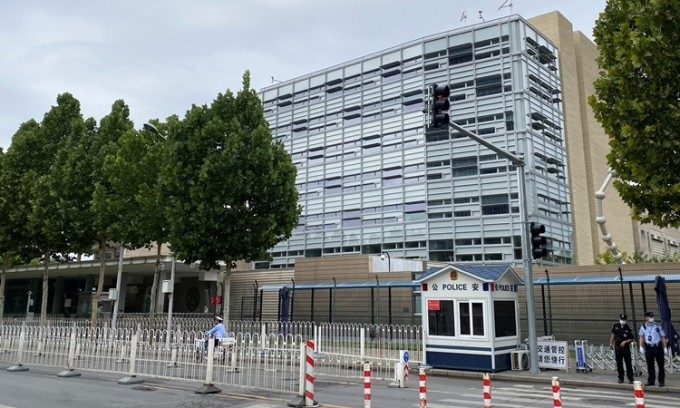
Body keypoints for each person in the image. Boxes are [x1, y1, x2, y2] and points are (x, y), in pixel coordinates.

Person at [638, 311, 668, 387]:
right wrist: (641, 346)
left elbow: (662, 336)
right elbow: (641, 337)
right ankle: (651, 381)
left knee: (660, 365)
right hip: (648, 347)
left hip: (657, 347)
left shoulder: (657, 326)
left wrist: (665, 347)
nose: (651, 318)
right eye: (649, 317)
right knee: (650, 365)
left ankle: (661, 381)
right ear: (646, 318)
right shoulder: (643, 326)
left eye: (652, 317)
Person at [610, 313, 634, 384]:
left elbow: (631, 339)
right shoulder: (616, 326)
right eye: (621, 319)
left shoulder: (628, 328)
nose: (622, 321)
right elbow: (613, 334)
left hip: (625, 347)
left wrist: (625, 342)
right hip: (618, 347)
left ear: (626, 320)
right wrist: (611, 342)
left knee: (628, 363)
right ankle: (620, 378)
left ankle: (630, 378)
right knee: (619, 363)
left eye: (624, 319)